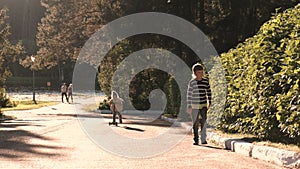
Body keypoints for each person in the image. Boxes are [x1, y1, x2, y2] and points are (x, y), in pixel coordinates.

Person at [186, 63, 212, 145]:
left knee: (203, 122)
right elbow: (189, 94)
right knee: (195, 123)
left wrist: (210, 102)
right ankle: (196, 139)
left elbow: (208, 92)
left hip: (203, 104)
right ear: (194, 73)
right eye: (198, 73)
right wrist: (189, 105)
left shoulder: (205, 81)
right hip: (194, 105)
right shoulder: (192, 82)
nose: (200, 74)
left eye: (201, 72)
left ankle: (203, 139)